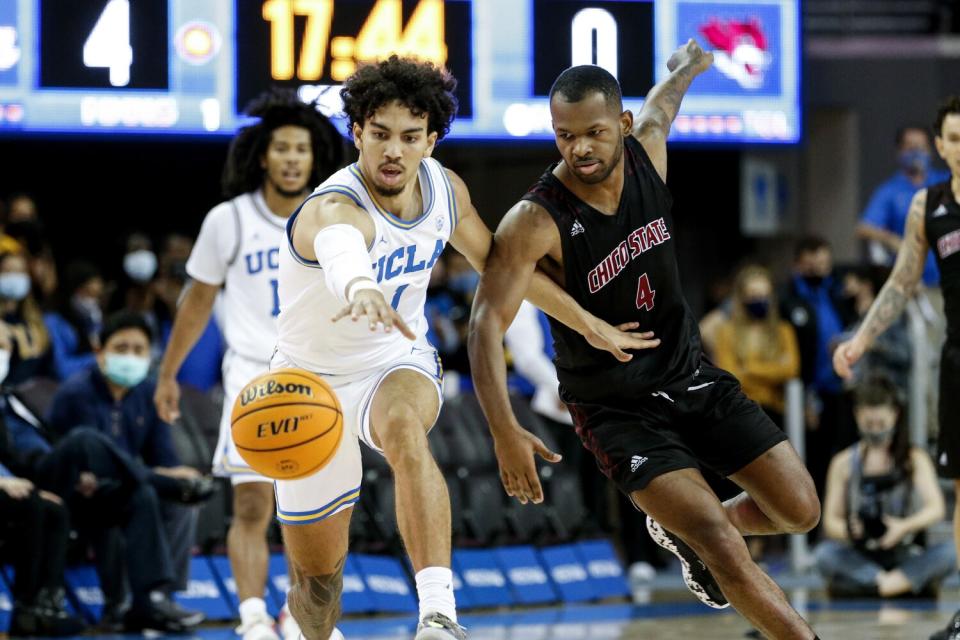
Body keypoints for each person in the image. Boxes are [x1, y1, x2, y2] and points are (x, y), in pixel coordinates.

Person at [272, 55, 643, 640]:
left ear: (432, 140)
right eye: (379, 135)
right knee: (317, 593)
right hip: (306, 383)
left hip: (392, 361)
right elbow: (343, 245)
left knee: (403, 428)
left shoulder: (445, 190)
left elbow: (503, 270)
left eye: (410, 137)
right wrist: (362, 286)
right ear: (356, 133)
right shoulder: (333, 206)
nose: (393, 150)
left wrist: (588, 323)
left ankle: (438, 615)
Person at [467, 42, 822, 640]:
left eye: (595, 133)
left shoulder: (649, 148)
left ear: (623, 126)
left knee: (800, 510)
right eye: (564, 135)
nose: (579, 148)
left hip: (688, 374)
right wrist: (504, 430)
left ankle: (684, 533)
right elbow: (482, 327)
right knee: (722, 546)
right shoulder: (535, 220)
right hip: (615, 408)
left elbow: (665, 100)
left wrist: (690, 66)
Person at [154, 88, 344, 640]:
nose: (291, 159)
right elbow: (196, 302)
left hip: (317, 376)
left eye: (301, 150)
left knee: (318, 513)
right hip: (253, 377)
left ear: (314, 158)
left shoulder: (331, 214)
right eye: (282, 148)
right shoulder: (229, 220)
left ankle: (305, 617)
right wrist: (168, 373)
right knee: (254, 502)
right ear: (264, 155)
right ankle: (254, 617)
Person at [833, 95, 960, 640]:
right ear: (940, 146)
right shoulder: (925, 205)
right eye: (955, 139)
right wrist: (861, 339)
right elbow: (903, 281)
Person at [47, 311, 214, 619]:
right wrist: (162, 478)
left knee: (182, 500)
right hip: (77, 490)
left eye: (138, 350)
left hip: (132, 481)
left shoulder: (148, 391)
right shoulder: (77, 393)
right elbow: (92, 464)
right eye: (121, 348)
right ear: (100, 351)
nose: (130, 357)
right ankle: (119, 601)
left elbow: (164, 461)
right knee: (130, 494)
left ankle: (162, 596)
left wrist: (182, 478)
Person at [815, 375, 952, 598]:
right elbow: (830, 522)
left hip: (903, 550)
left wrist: (904, 526)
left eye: (881, 424)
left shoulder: (913, 458)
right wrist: (851, 531)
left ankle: (872, 587)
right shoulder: (843, 462)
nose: (876, 431)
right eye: (869, 424)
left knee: (951, 552)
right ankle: (898, 584)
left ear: (895, 416)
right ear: (857, 416)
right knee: (824, 555)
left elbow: (936, 509)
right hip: (861, 553)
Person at [713, 264, 800, 427]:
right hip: (740, 412)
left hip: (776, 411)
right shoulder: (726, 331)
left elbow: (791, 369)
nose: (760, 300)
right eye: (753, 294)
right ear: (742, 297)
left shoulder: (783, 330)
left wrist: (749, 368)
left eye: (764, 295)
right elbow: (730, 376)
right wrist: (774, 369)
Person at [43, 261, 104, 380]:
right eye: (87, 293)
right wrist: (97, 359)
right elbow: (61, 369)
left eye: (96, 296)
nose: (91, 301)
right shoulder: (53, 322)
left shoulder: (94, 320)